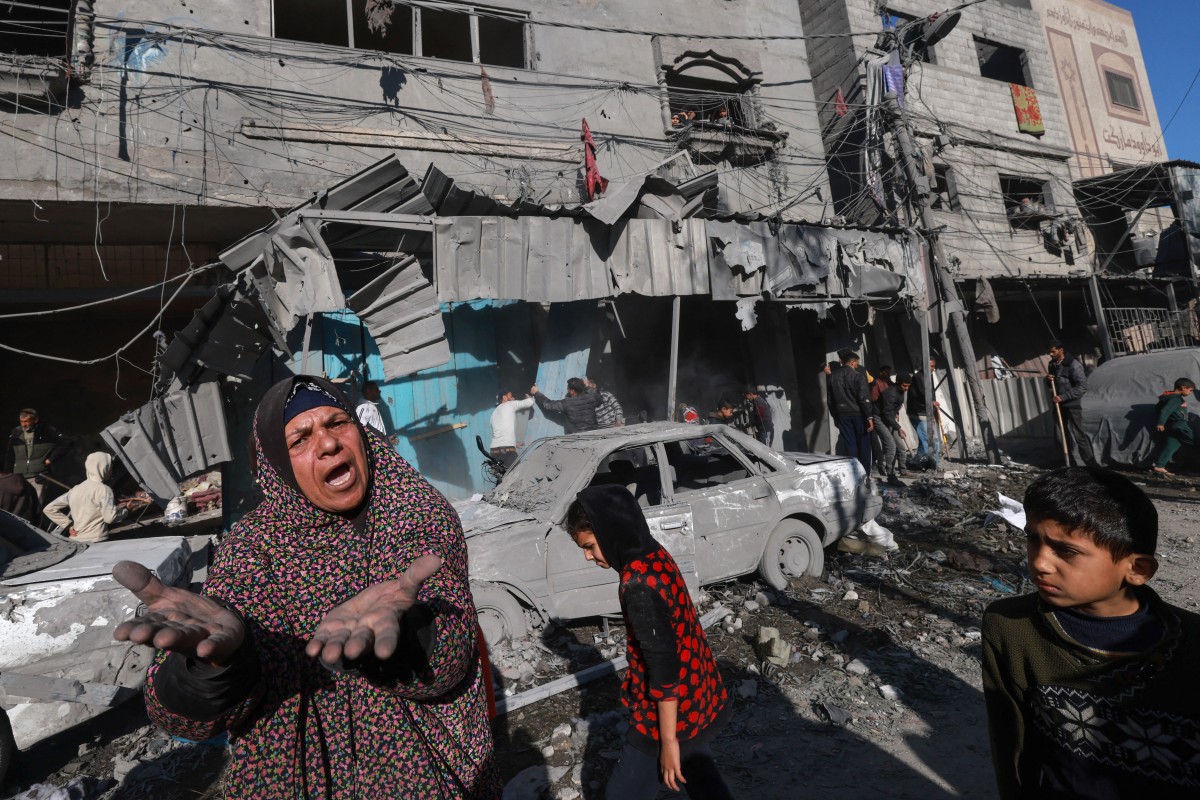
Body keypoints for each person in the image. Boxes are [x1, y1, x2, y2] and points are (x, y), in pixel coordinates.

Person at [110, 375, 501, 799]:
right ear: (276, 465)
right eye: (300, 439)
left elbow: (448, 666)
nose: (329, 444)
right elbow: (184, 721)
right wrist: (213, 670)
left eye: (337, 423)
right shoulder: (251, 548)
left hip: (423, 775)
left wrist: (410, 635)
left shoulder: (416, 511)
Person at [982, 467, 1200, 799]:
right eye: (1032, 539)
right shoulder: (1011, 627)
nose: (1040, 562)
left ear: (1137, 569)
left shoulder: (1192, 647)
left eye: (1066, 551)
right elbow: (1011, 746)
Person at [567, 485, 733, 800]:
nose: (589, 557)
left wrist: (668, 742)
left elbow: (663, 668)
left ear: (611, 531)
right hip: (695, 694)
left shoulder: (638, 584)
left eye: (589, 546)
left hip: (664, 714)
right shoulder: (653, 553)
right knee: (702, 778)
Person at [42, 452, 129, 542]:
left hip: (76, 540)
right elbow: (110, 518)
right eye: (110, 467)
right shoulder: (104, 490)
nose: (111, 469)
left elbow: (49, 509)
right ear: (103, 468)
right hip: (97, 540)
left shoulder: (75, 489)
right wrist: (126, 511)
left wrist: (68, 525)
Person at [3, 408, 71, 503]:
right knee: (17, 505)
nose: (23, 424)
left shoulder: (47, 430)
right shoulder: (16, 432)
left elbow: (66, 442)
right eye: (21, 421)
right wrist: (7, 473)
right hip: (18, 476)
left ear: (35, 420)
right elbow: (10, 454)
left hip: (37, 476)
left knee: (35, 505)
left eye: (26, 421)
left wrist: (51, 459)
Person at [1047, 342, 1096, 467]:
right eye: (1050, 352)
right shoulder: (1052, 364)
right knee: (1060, 436)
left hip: (1072, 405)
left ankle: (1091, 465)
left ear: (1061, 350)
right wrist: (1048, 380)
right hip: (1058, 406)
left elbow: (1082, 387)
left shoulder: (1073, 365)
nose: (1051, 354)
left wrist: (1063, 397)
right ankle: (1069, 464)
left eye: (1053, 352)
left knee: (1079, 436)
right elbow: (1052, 385)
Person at [827, 350, 874, 474]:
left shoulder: (833, 376)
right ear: (852, 362)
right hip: (859, 415)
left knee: (849, 445)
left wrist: (836, 417)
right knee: (863, 446)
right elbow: (864, 398)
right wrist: (869, 417)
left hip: (842, 415)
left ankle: (854, 474)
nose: (857, 366)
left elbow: (830, 401)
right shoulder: (858, 376)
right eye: (857, 363)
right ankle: (865, 475)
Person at [1151, 377, 1195, 475]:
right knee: (1196, 440)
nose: (1190, 393)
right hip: (1179, 425)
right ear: (1183, 387)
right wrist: (1160, 423)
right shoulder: (1176, 398)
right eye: (1190, 390)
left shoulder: (1167, 397)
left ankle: (1159, 466)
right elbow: (1165, 410)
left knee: (1172, 444)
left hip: (1171, 426)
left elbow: (1159, 409)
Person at [906, 358, 941, 469]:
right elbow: (922, 394)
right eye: (931, 366)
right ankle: (930, 465)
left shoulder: (928, 377)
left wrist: (933, 410)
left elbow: (931, 393)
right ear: (924, 366)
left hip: (926, 412)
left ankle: (919, 464)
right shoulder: (918, 378)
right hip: (918, 413)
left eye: (933, 366)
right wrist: (931, 403)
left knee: (926, 441)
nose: (933, 369)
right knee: (928, 441)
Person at [531, 377, 600, 434]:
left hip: (578, 437)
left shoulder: (567, 403)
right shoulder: (591, 398)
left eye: (568, 389)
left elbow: (548, 404)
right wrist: (587, 387)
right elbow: (598, 396)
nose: (567, 390)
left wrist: (536, 393)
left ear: (572, 391)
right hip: (594, 434)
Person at [876, 371, 909, 485]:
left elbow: (893, 408)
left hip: (889, 417)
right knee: (890, 446)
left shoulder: (900, 391)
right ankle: (891, 475)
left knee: (901, 446)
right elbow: (886, 413)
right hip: (879, 418)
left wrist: (896, 414)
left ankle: (903, 471)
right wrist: (898, 427)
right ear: (898, 383)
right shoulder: (890, 393)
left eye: (908, 386)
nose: (906, 388)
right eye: (905, 386)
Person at [489, 389, 535, 468]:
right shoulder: (509, 404)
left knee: (501, 477)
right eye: (511, 396)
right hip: (507, 452)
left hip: (493, 452)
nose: (513, 398)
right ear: (504, 398)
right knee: (516, 475)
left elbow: (500, 434)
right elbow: (530, 402)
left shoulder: (493, 415)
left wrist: (514, 443)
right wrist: (529, 397)